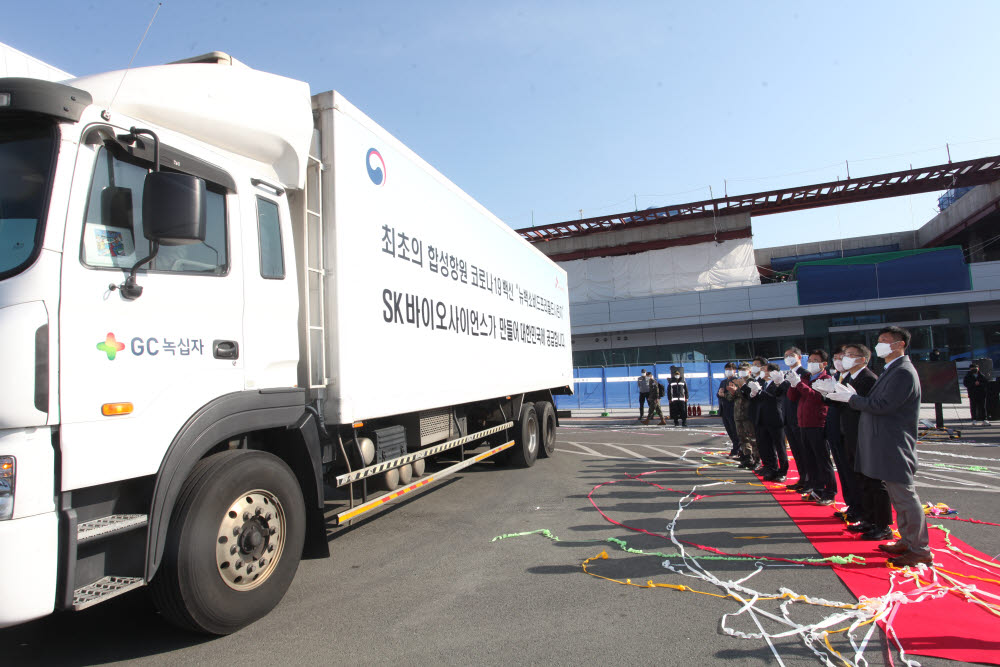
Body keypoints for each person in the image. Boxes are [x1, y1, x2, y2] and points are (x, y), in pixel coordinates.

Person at [829, 326, 932, 567]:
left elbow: (883, 405)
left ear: (899, 344)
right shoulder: (891, 370)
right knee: (899, 496)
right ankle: (908, 540)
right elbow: (877, 402)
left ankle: (920, 549)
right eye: (879, 341)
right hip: (885, 441)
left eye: (885, 341)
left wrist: (851, 399)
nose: (879, 345)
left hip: (894, 442)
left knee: (905, 496)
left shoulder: (903, 372)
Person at [838, 343, 891, 540]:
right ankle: (868, 519)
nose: (846, 358)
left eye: (851, 355)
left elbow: (869, 405)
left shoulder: (868, 378)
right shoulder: (850, 377)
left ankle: (883, 524)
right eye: (846, 354)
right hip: (851, 433)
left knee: (874, 481)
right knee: (860, 479)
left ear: (863, 359)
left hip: (865, 434)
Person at [787, 349, 835, 505]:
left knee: (822, 459)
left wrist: (800, 385)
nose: (812, 363)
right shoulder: (806, 377)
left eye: (816, 360)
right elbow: (792, 397)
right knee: (810, 459)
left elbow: (817, 398)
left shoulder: (826, 378)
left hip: (817, 423)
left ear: (824, 363)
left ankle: (830, 491)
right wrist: (793, 384)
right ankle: (816, 488)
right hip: (803, 423)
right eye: (811, 360)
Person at [781, 348, 813, 494]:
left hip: (800, 417)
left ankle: (810, 481)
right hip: (788, 417)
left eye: (791, 356)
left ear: (799, 357)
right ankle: (802, 478)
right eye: (786, 356)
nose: (788, 358)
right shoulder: (786, 374)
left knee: (805, 451)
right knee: (796, 451)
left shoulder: (805, 373)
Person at [753, 363, 789, 481]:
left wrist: (760, 392)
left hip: (775, 419)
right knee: (766, 445)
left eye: (764, 370)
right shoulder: (763, 383)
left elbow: (775, 398)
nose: (761, 371)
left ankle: (783, 471)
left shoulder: (778, 384)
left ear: (771, 372)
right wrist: (754, 393)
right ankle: (771, 467)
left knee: (780, 447)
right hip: (762, 419)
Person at [729, 363, 758, 469]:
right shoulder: (736, 381)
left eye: (744, 369)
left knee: (752, 438)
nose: (742, 371)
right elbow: (731, 398)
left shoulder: (752, 382)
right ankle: (747, 457)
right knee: (742, 437)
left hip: (747, 414)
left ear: (749, 370)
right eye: (740, 369)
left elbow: (749, 395)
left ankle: (756, 459)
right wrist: (732, 392)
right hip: (738, 414)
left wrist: (740, 389)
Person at [718, 363, 741, 457]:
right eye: (726, 369)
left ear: (734, 370)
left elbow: (734, 395)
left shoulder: (736, 381)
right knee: (729, 430)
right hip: (724, 409)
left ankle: (737, 449)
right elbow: (719, 393)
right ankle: (736, 448)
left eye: (730, 369)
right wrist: (720, 393)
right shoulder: (723, 382)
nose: (728, 371)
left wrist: (724, 395)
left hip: (733, 408)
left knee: (735, 430)